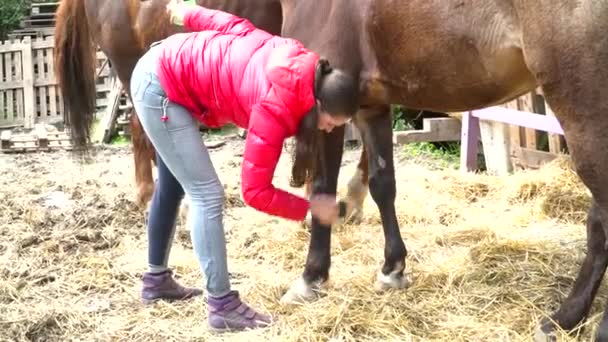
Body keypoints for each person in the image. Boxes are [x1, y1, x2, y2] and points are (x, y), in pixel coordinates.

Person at [130, 0, 359, 332]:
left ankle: (156, 282)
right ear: (317, 104)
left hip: (167, 67)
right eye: (329, 123)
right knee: (207, 195)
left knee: (173, 183)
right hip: (160, 87)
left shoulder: (291, 55)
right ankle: (223, 306)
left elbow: (233, 26)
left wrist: (187, 12)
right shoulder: (274, 105)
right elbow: (254, 192)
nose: (328, 130)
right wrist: (310, 208)